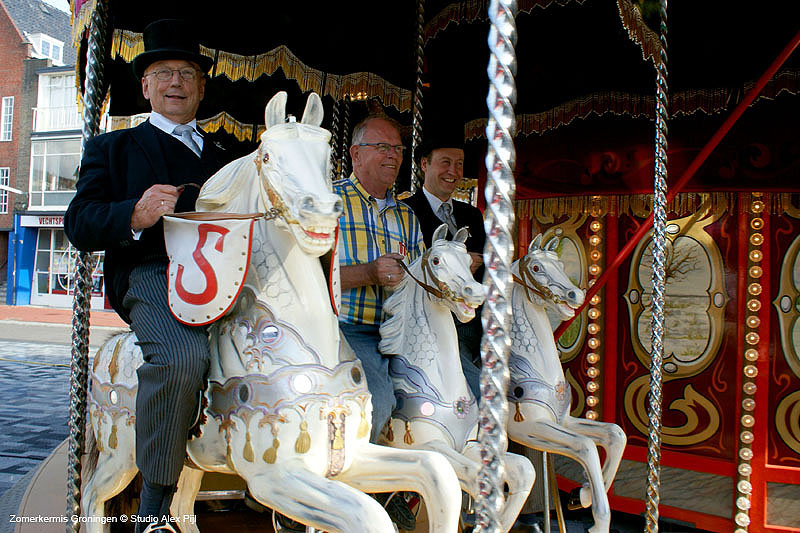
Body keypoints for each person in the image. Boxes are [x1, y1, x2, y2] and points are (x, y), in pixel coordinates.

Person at [64, 19, 225, 533]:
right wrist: (132, 214)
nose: (176, 82)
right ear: (146, 87)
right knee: (183, 356)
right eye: (164, 73)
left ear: (201, 87)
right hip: (154, 273)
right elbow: (79, 222)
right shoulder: (112, 149)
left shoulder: (229, 157)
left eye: (186, 73)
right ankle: (154, 505)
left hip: (226, 275)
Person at [334, 115, 425, 445]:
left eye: (399, 149)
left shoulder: (407, 216)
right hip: (348, 328)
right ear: (356, 154)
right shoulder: (330, 203)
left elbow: (420, 279)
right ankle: (347, 490)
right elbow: (308, 277)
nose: (394, 156)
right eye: (383, 147)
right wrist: (369, 273)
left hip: (401, 333)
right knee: (377, 403)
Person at [403, 135, 486, 398]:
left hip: (476, 320)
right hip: (435, 322)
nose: (453, 171)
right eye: (446, 162)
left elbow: (486, 266)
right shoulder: (406, 212)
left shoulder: (471, 215)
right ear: (424, 164)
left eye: (459, 164)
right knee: (480, 395)